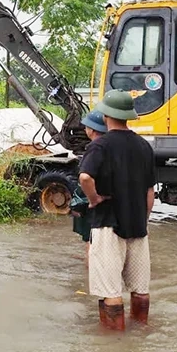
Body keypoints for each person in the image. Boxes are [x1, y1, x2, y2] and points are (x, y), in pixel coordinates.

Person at [78, 90, 156, 330]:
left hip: (107, 224)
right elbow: (150, 193)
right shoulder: (144, 146)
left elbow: (85, 177)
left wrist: (93, 199)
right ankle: (140, 331)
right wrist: (142, 220)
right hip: (137, 226)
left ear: (105, 116)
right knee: (140, 289)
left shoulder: (100, 145)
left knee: (110, 291)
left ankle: (115, 346)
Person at [70, 110, 109, 264]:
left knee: (90, 240)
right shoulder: (110, 147)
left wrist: (85, 202)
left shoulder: (94, 148)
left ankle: (90, 273)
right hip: (109, 206)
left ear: (91, 130)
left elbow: (85, 179)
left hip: (92, 203)